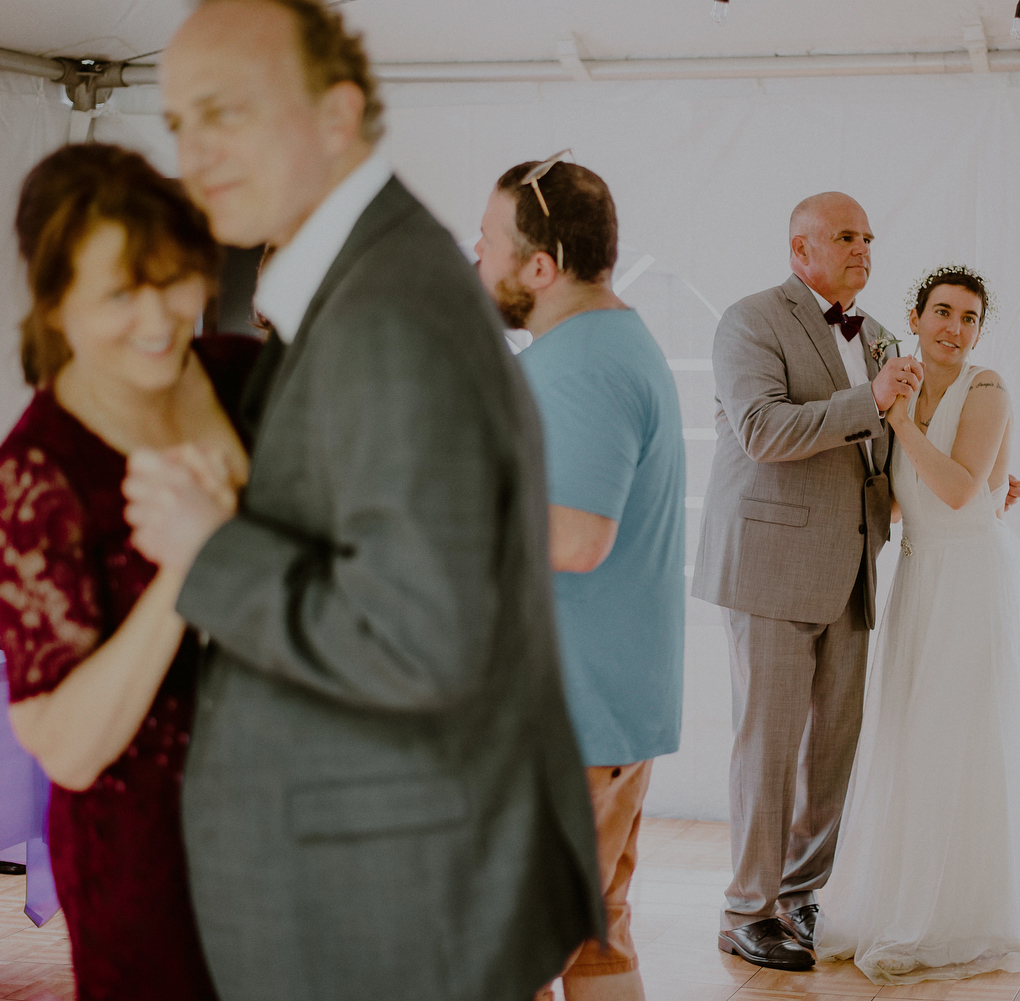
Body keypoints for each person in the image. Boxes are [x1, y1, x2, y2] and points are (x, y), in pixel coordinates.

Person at [121, 2, 604, 999]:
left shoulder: (391, 314)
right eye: (178, 123)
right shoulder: (362, 284)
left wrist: (208, 551)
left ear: (336, 115)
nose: (194, 150)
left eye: (227, 111)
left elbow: (417, 634)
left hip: (390, 906)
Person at [1, 142, 256, 1000]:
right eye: (119, 292)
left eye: (172, 277)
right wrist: (190, 567)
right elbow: (66, 746)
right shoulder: (40, 469)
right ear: (58, 302)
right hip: (154, 864)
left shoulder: (243, 376)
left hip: (300, 822)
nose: (157, 317)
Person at [816, 266, 1020, 983]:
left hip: (970, 583)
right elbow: (909, 503)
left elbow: (963, 491)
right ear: (915, 316)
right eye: (942, 313)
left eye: (968, 319)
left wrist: (904, 425)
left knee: (958, 738)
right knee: (911, 735)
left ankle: (953, 915)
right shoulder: (902, 382)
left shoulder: (986, 387)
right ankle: (895, 902)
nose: (954, 329)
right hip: (922, 577)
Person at [473, 156, 686, 1001]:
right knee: (595, 938)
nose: (476, 256)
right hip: (604, 708)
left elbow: (575, 538)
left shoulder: (582, 363)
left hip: (565, 717)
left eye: (488, 239)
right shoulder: (607, 341)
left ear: (541, 265)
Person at [693, 191, 915, 970]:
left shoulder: (883, 334)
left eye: (868, 236)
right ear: (800, 248)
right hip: (771, 568)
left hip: (854, 566)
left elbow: (884, 453)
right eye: (845, 235)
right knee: (769, 746)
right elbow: (760, 429)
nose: (862, 247)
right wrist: (870, 400)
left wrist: (973, 489)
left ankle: (800, 895)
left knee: (832, 751)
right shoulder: (750, 320)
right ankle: (745, 909)